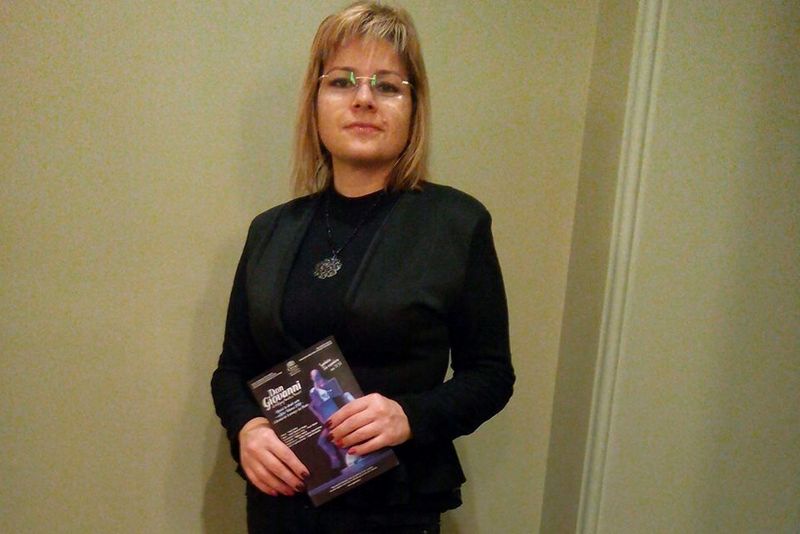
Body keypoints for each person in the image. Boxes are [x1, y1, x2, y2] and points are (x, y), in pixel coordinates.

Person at [210, 2, 514, 532]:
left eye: (388, 85)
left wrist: (409, 416)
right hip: (280, 505)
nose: (364, 99)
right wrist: (248, 429)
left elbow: (490, 375)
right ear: (315, 103)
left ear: (413, 108)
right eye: (342, 81)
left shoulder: (455, 222)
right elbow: (232, 370)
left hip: (394, 508)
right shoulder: (270, 230)